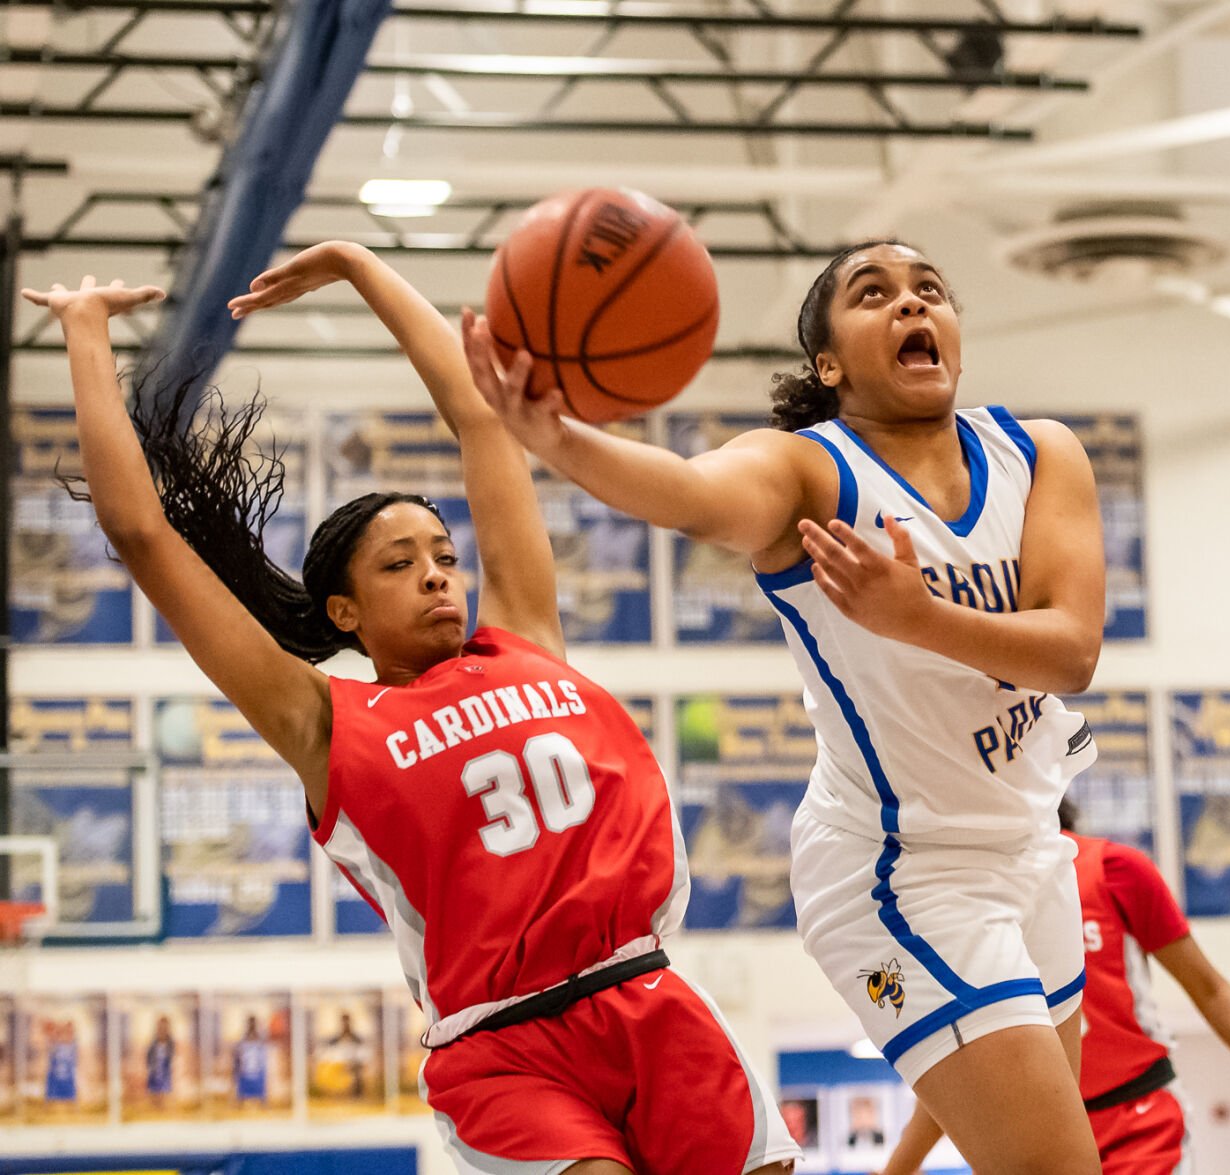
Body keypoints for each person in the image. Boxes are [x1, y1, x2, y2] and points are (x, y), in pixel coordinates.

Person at [23, 249, 798, 1175]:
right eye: (397, 564)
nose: (435, 571)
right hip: (503, 1047)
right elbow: (143, 535)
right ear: (343, 611)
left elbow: (480, 416)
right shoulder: (323, 720)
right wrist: (84, 335)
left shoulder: (526, 638)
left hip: (648, 992)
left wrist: (363, 266)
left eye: (441, 554)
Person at [468, 240, 1107, 1174]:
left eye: (930, 288)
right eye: (873, 294)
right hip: (900, 873)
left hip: (1026, 848)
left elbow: (1072, 650)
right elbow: (690, 495)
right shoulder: (809, 471)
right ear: (829, 364)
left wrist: (917, 615)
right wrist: (558, 437)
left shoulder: (1039, 452)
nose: (910, 304)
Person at [876, 798, 1230, 1175]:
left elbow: (1209, 989)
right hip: (1032, 1134)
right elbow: (953, 1069)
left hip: (1139, 1121)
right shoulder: (963, 900)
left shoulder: (1114, 868)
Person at [233, 1014, 269, 1105]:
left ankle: (261, 1099)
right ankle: (241, 1099)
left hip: (255, 1066)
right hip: (247, 1066)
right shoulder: (245, 1037)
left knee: (258, 1082)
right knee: (244, 1082)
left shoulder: (259, 1037)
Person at [145, 1014, 176, 1106]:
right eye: (160, 1026)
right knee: (154, 1085)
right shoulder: (154, 1040)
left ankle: (163, 1102)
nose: (162, 1028)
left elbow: (172, 1053)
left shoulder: (170, 1041)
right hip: (155, 1066)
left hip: (165, 1066)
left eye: (164, 1026)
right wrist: (149, 1065)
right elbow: (149, 1054)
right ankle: (155, 1102)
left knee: (164, 1084)